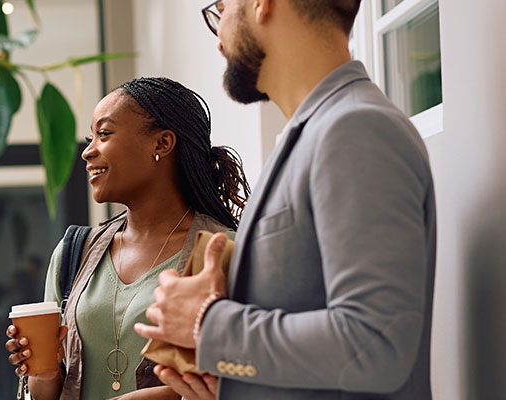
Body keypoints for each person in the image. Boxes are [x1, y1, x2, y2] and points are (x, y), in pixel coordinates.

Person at [134, 1, 436, 399]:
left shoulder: (355, 129)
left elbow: (375, 344)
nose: (217, 39)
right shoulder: (313, 135)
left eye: (220, 9)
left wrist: (206, 326)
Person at [5, 77, 251, 400]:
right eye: (90, 137)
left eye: (104, 134)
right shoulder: (73, 254)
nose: (88, 152)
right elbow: (43, 394)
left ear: (162, 144)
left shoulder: (222, 251)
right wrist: (45, 370)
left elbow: (242, 378)